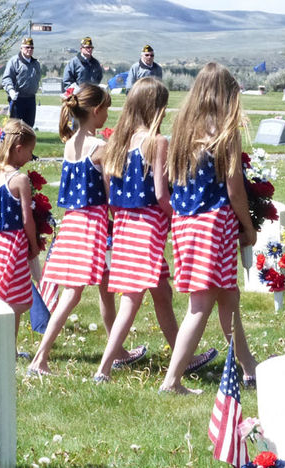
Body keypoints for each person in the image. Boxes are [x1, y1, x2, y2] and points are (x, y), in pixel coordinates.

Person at [93, 77, 217, 383]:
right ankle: (104, 368)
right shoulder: (157, 142)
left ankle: (182, 356)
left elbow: (111, 195)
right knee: (131, 300)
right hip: (150, 227)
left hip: (124, 226)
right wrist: (182, 215)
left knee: (162, 293)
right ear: (155, 108)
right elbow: (162, 195)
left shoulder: (115, 144)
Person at [28, 84, 141, 375]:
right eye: (106, 108)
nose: (108, 113)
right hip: (94, 224)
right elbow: (110, 191)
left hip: (73, 221)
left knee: (105, 288)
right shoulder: (100, 148)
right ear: (95, 111)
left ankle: (119, 351)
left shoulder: (69, 145)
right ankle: (40, 358)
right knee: (73, 294)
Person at [159, 63, 258, 394]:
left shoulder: (183, 130)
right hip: (215, 222)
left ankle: (248, 367)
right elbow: (235, 189)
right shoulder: (226, 132)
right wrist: (248, 226)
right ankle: (172, 380)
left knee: (229, 297)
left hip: (185, 221)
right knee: (200, 306)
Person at [0, 118, 40, 358]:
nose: (30, 158)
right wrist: (33, 246)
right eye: (30, 152)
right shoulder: (19, 180)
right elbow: (27, 220)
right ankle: (8, 350)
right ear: (18, 149)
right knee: (13, 301)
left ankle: (1, 346)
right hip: (13, 245)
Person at [2, 37, 41, 127]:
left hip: (31, 99)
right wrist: (11, 90)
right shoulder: (14, 61)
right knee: (16, 127)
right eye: (27, 47)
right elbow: (7, 78)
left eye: (32, 47)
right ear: (21, 48)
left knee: (29, 127)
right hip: (18, 99)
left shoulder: (36, 63)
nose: (30, 49)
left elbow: (37, 78)